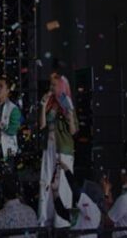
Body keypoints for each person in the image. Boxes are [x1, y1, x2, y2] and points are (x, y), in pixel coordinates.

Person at [37, 73, 79, 226]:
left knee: (62, 184)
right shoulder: (50, 104)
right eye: (51, 84)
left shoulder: (67, 103)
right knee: (46, 181)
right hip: (49, 147)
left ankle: (61, 221)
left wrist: (69, 114)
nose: (51, 87)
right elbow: (42, 125)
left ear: (61, 86)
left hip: (63, 149)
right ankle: (45, 219)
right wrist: (43, 105)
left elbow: (73, 131)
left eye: (54, 85)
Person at [51, 162, 101, 237]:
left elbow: (76, 191)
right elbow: (62, 212)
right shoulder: (81, 213)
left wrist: (66, 169)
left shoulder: (93, 210)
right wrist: (55, 191)